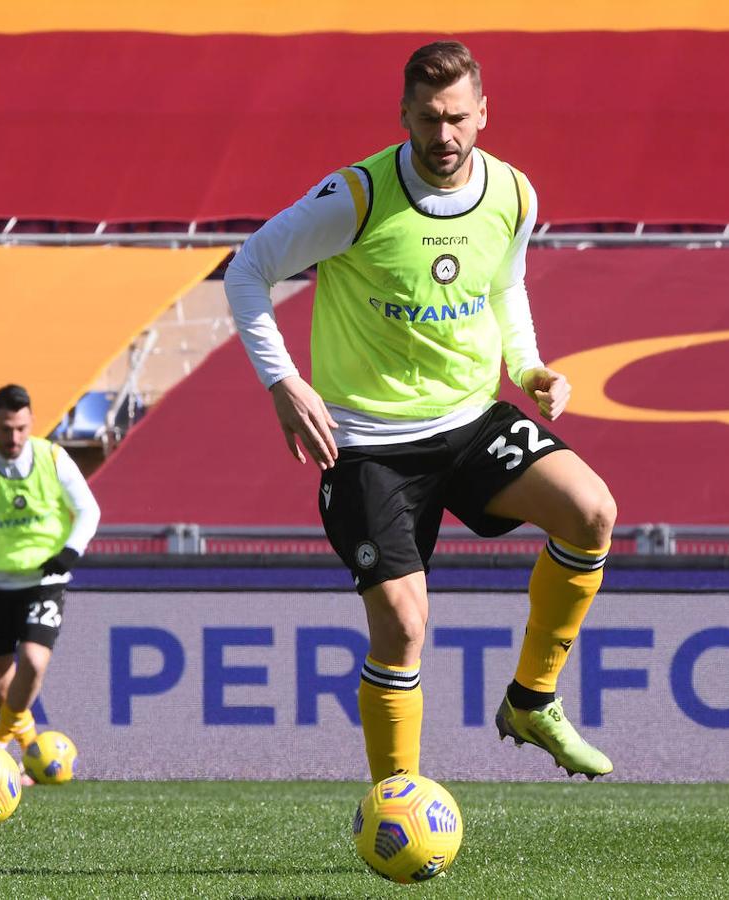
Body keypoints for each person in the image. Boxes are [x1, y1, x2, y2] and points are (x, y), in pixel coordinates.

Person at [224, 41, 617, 782]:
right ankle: (395, 802)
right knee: (403, 628)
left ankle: (532, 701)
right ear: (404, 114)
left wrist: (527, 366)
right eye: (429, 119)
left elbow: (504, 285)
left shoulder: (512, 193)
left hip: (470, 421)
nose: (444, 137)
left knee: (591, 510)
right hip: (370, 446)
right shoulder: (357, 197)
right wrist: (283, 382)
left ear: (483, 115)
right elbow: (247, 269)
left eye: (458, 118)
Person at [0, 384, 101, 773]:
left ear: (32, 422)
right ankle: (32, 755)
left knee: (32, 660)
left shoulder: (53, 458)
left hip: (43, 579)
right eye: (5, 429)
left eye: (20, 428)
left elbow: (88, 510)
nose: (13, 438)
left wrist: (69, 552)